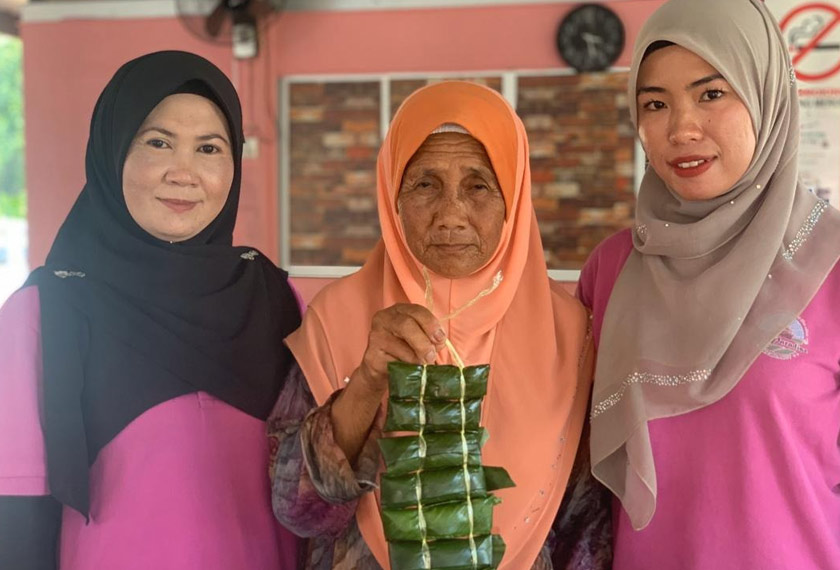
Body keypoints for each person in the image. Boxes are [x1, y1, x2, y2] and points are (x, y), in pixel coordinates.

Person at [268, 80, 598, 570]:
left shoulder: (568, 333)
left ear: (513, 197)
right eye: (425, 184)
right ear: (393, 198)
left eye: (478, 185)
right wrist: (366, 383)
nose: (450, 215)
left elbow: (586, 532)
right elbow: (297, 509)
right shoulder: (337, 316)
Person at [0, 51, 302, 569]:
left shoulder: (276, 300)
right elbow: (15, 521)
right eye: (158, 142)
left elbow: (322, 488)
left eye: (209, 148)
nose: (184, 173)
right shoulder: (45, 312)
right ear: (112, 150)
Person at [577, 0, 840, 568]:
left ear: (767, 96)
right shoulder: (611, 269)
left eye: (712, 93)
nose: (682, 129)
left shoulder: (832, 264)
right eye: (655, 104)